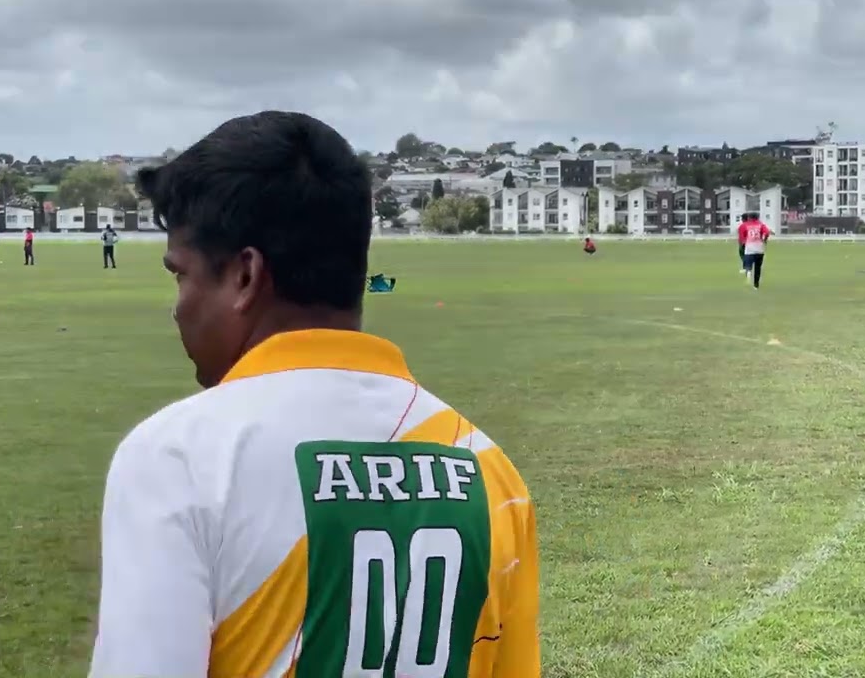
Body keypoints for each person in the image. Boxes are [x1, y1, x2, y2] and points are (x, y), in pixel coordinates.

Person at [90, 112, 540, 678]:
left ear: (246, 276)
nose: (177, 306)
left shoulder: (179, 456)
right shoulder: (489, 468)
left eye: (180, 276)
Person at [740, 211, 770, 290]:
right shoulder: (761, 225)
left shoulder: (744, 225)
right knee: (758, 267)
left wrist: (743, 242)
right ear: (758, 217)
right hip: (759, 248)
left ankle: (748, 270)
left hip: (749, 248)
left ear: (749, 217)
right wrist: (764, 240)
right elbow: (767, 232)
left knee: (747, 261)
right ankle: (756, 285)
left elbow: (742, 236)